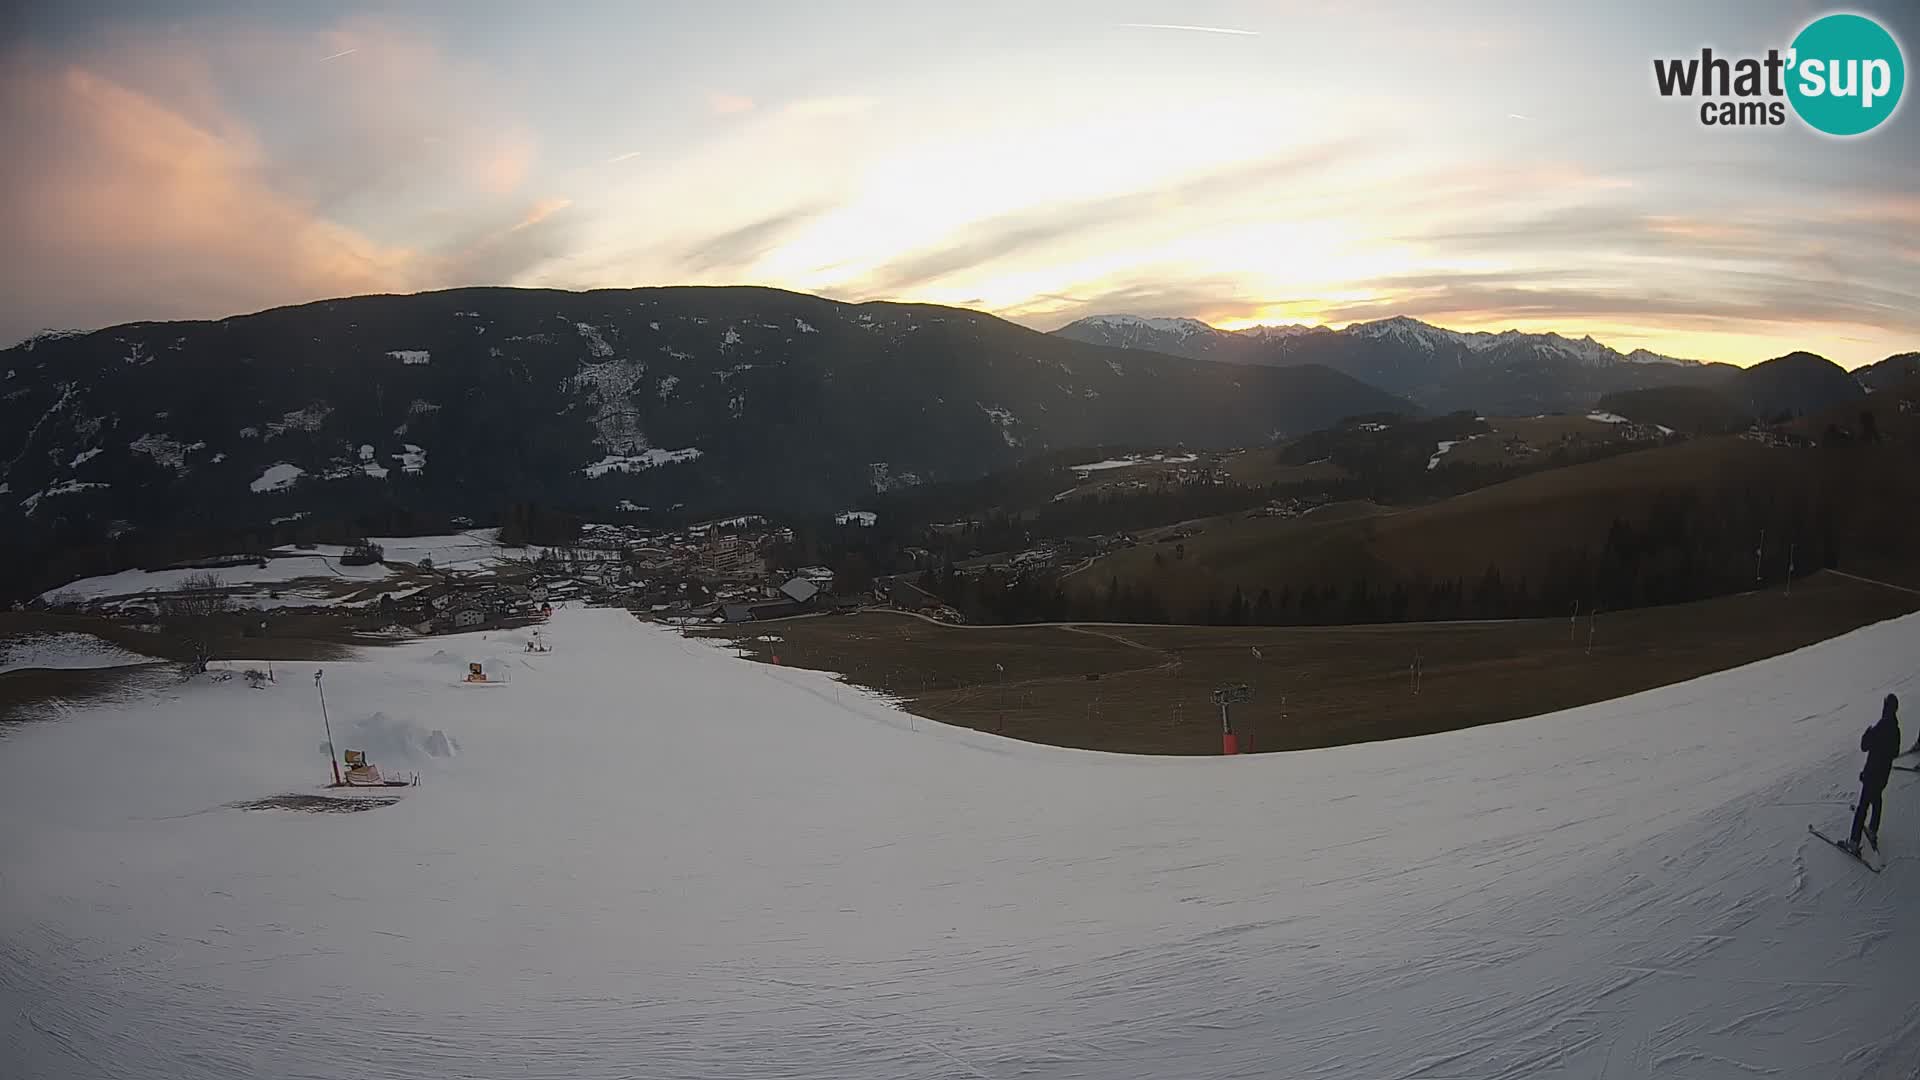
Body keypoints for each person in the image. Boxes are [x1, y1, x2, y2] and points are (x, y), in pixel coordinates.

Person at [1849, 693, 1902, 853]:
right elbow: (1895, 753)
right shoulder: (1895, 728)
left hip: (1872, 774)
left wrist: (1867, 733)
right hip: (1883, 775)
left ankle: (1853, 842)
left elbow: (1864, 746)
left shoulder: (1880, 727)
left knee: (1862, 807)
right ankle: (1872, 830)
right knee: (1877, 800)